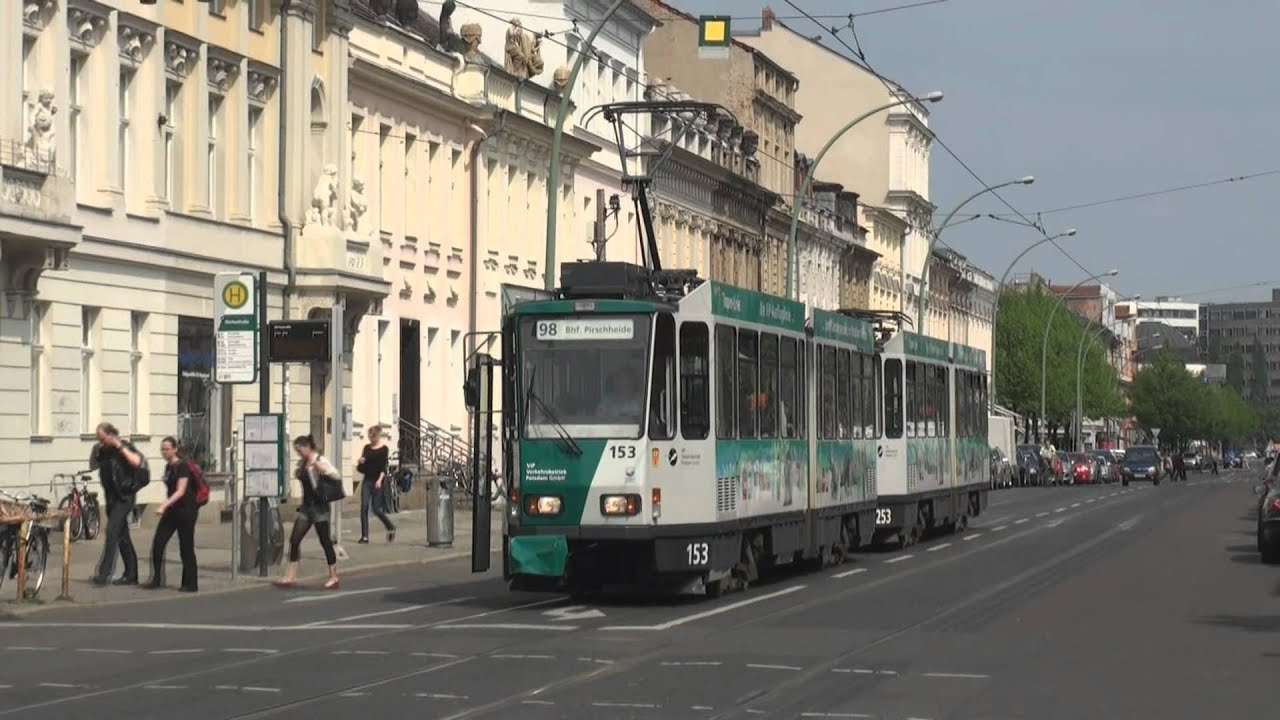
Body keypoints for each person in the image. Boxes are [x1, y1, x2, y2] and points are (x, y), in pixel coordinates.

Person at [275, 435, 340, 590]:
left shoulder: (320, 460)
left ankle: (333, 575)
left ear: (306, 447)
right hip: (306, 507)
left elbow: (336, 476)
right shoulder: (302, 463)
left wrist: (320, 469)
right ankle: (290, 575)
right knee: (294, 539)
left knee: (325, 541)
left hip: (320, 507)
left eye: (299, 450)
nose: (298, 453)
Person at [89, 422, 144, 587]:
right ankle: (131, 574)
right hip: (111, 498)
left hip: (125, 497)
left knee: (112, 531)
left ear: (112, 435)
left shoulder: (125, 448)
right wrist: (95, 452)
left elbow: (136, 462)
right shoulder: (103, 451)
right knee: (122, 536)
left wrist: (119, 447)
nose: (101, 443)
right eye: (99, 440)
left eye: (103, 439)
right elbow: (93, 466)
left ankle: (103, 574)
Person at [146, 437, 199, 592]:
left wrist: (164, 505)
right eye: (162, 449)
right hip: (172, 511)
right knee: (158, 543)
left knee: (186, 547)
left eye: (167, 448)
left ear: (175, 449)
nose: (164, 452)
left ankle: (191, 583)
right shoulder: (168, 467)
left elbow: (181, 491)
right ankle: (157, 578)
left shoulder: (183, 466)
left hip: (186, 510)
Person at [356, 425, 395, 544]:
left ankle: (390, 526)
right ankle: (365, 536)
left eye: (372, 436)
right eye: (369, 436)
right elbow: (362, 466)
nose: (370, 439)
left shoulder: (384, 449)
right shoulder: (367, 448)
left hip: (378, 480)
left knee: (376, 509)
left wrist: (379, 480)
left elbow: (384, 466)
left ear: (377, 436)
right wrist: (360, 462)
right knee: (364, 507)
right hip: (367, 480)